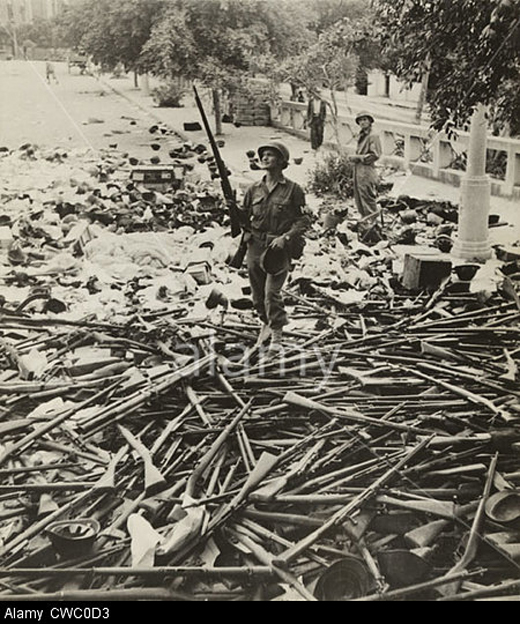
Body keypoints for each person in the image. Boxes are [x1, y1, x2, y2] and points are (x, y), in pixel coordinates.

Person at [239, 142, 311, 352]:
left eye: (271, 155)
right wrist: (233, 211)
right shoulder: (253, 189)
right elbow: (244, 216)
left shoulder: (293, 190)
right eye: (264, 155)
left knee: (272, 293)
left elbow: (303, 221)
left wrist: (286, 238)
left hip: (278, 248)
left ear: (281, 161)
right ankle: (266, 324)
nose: (265, 158)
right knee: (258, 295)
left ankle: (277, 336)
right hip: (255, 245)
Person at [349, 111, 382, 239]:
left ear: (370, 121)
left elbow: (375, 155)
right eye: (360, 120)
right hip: (358, 170)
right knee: (359, 197)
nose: (363, 122)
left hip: (367, 170)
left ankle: (373, 226)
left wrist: (358, 157)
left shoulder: (373, 136)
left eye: (365, 120)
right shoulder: (362, 135)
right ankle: (366, 224)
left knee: (368, 198)